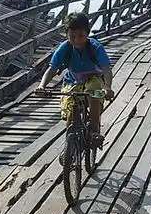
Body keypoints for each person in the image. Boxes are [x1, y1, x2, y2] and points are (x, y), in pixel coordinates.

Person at [36, 12, 114, 151]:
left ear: (87, 34)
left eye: (81, 36)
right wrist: (42, 86)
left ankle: (94, 130)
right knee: (70, 111)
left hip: (93, 77)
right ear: (66, 34)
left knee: (94, 93)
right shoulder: (64, 48)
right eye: (72, 36)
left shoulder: (95, 47)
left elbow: (106, 69)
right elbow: (52, 69)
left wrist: (107, 87)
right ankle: (69, 145)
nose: (77, 40)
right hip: (72, 80)